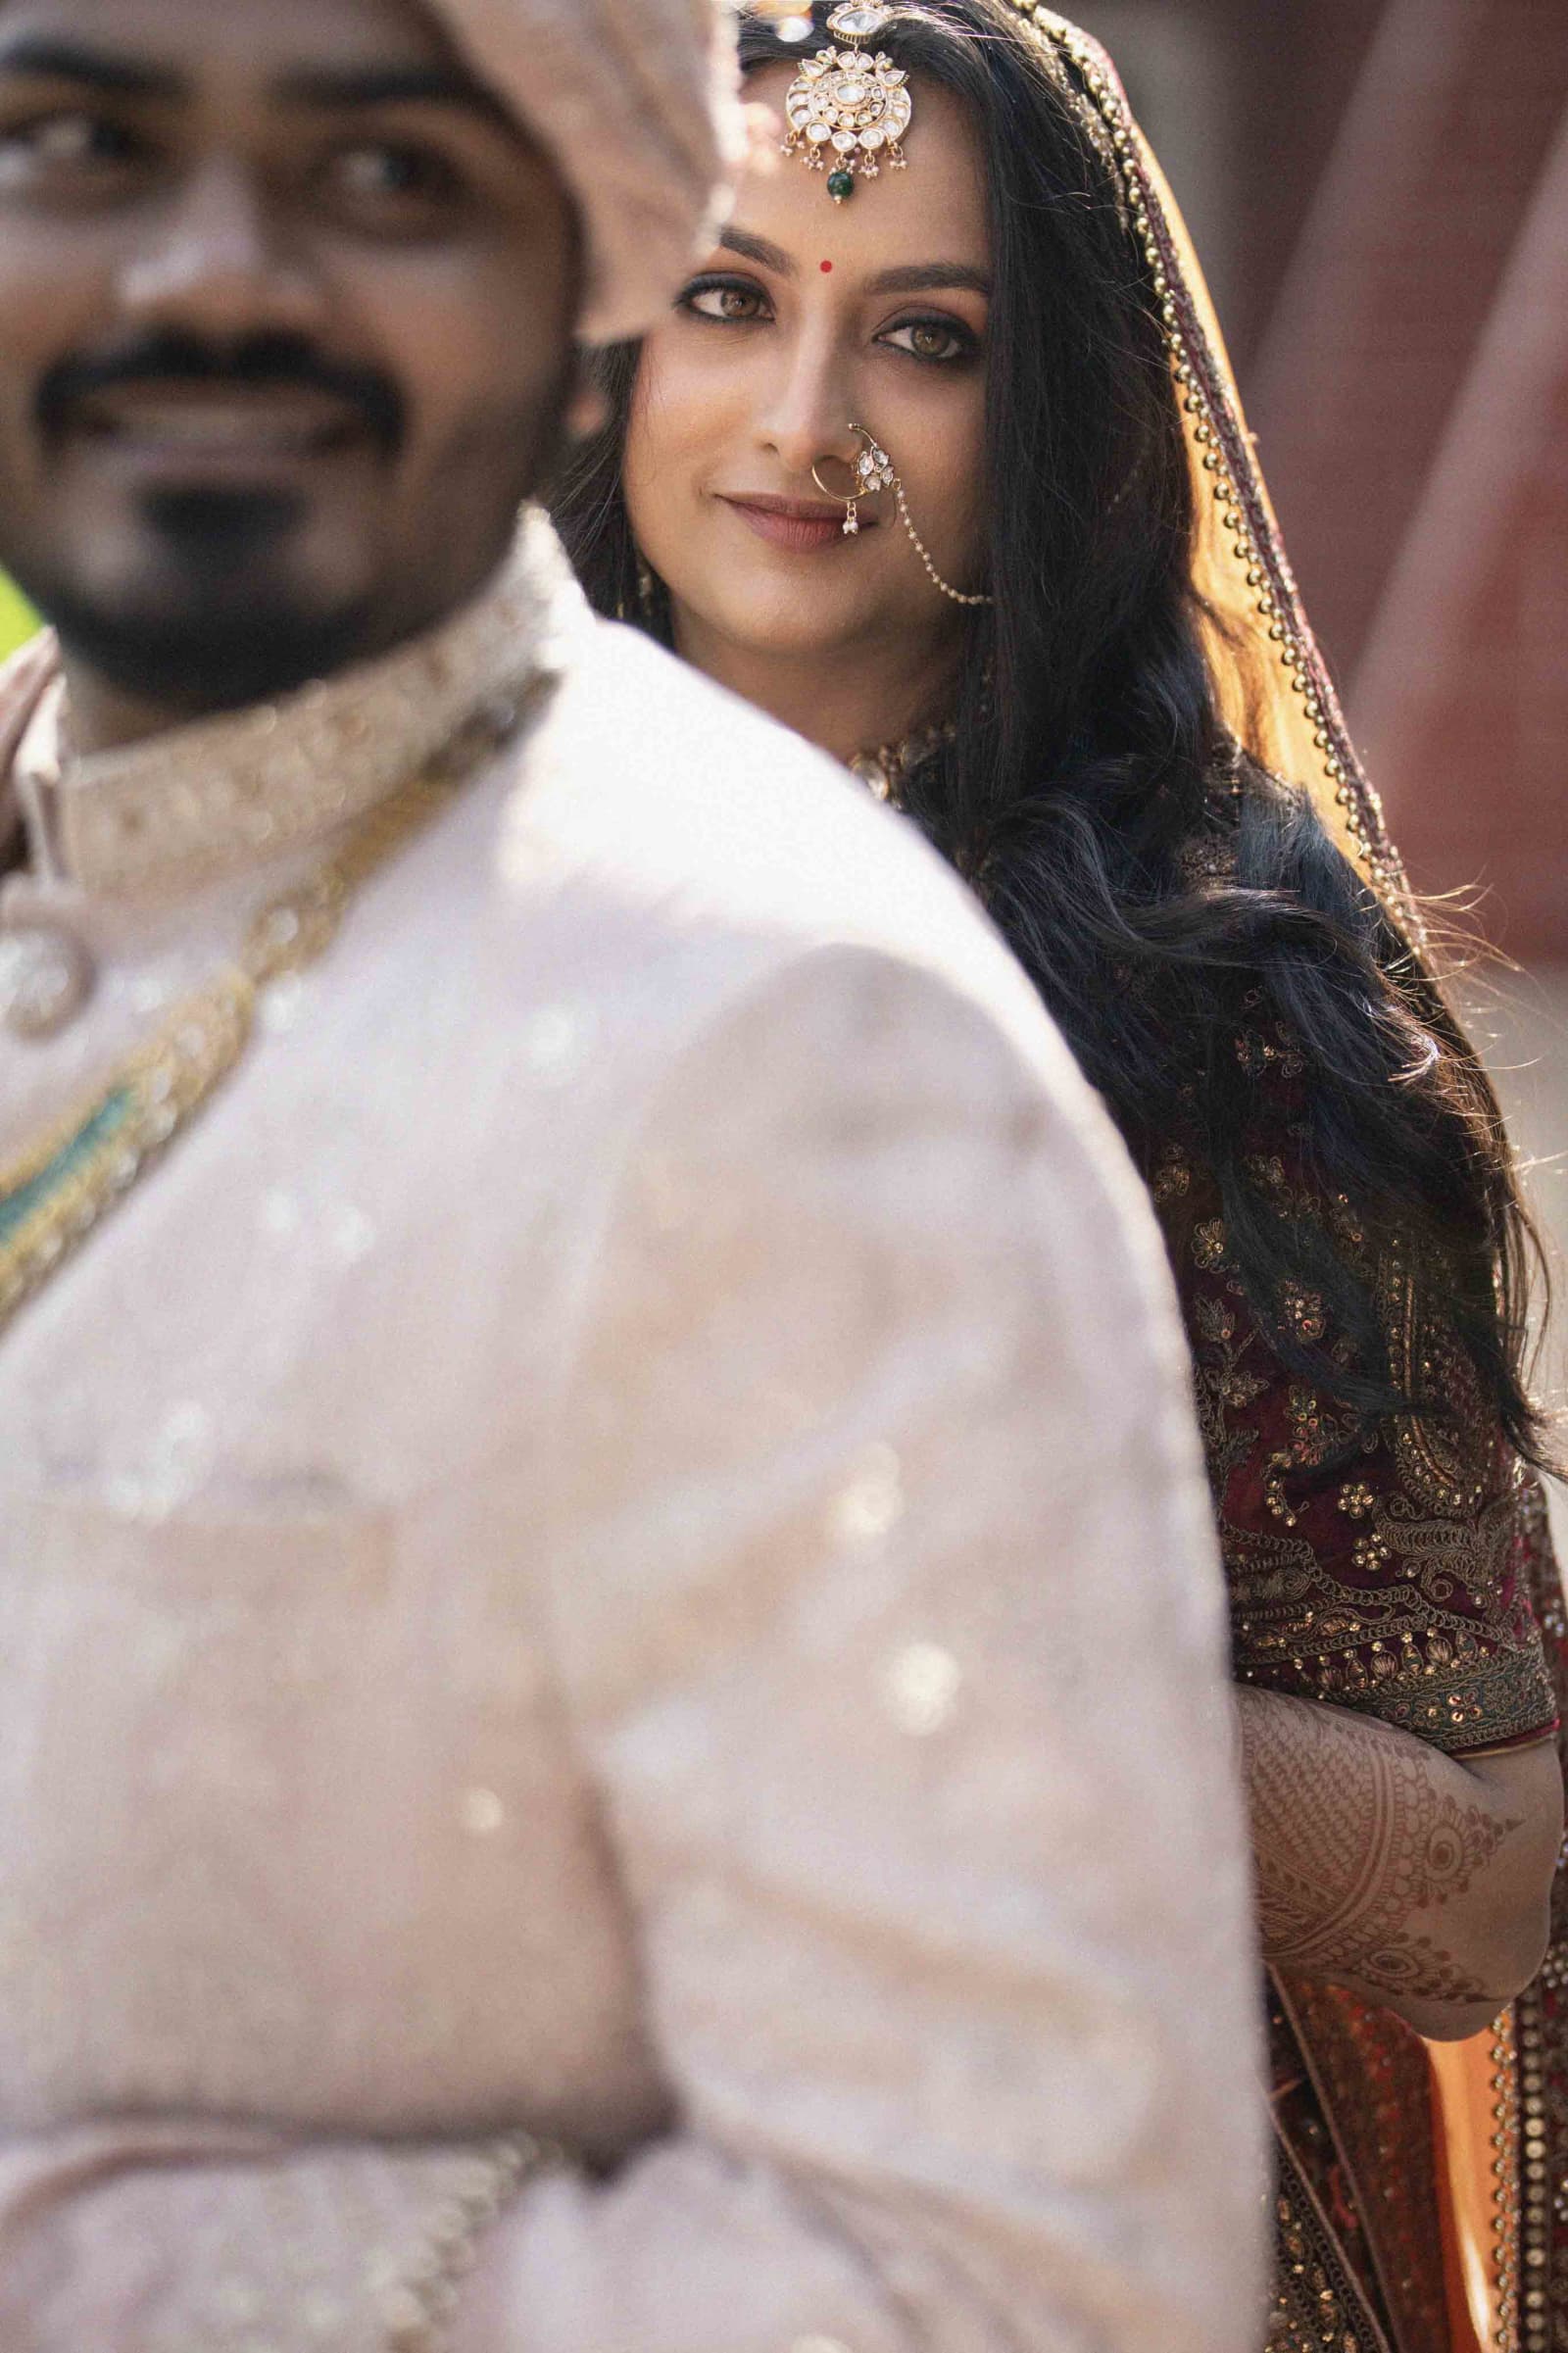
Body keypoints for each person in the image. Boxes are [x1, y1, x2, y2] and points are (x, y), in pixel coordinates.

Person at [0, 0, 1267, 2345]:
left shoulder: (808, 1036)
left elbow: (1018, 2280)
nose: (205, 275)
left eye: (386, 176)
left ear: (574, 260)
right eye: (74, 140)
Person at [550, 5, 1568, 2348]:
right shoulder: (402, 877)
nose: (798, 420)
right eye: (724, 301)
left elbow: (1475, 1882)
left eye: (923, 339)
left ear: (1063, 418)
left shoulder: (1208, 987)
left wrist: (902, 1679)